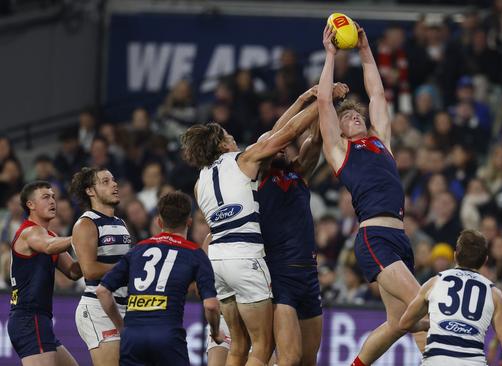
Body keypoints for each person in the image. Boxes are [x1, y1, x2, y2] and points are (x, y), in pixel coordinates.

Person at [181, 85, 330, 366]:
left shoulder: (202, 181)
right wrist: (323, 101)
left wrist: (301, 98)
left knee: (240, 346)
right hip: (252, 259)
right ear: (222, 144)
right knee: (262, 350)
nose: (235, 140)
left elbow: (291, 139)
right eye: (230, 137)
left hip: (221, 260)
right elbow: (283, 134)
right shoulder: (247, 164)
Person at [317, 22, 423, 365]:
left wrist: (364, 50)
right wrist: (331, 55)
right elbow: (323, 103)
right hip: (374, 237)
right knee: (424, 306)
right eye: (346, 116)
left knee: (398, 324)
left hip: (399, 239)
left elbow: (377, 94)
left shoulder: (381, 142)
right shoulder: (339, 151)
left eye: (355, 113)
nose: (352, 115)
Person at [256, 84, 347, 365]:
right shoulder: (258, 174)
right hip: (278, 273)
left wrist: (326, 101)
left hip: (308, 273)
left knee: (308, 360)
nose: (283, 145)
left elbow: (316, 140)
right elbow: (276, 136)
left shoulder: (299, 173)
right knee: (289, 358)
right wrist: (308, 98)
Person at [96, 191, 221, 366]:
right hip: (168, 337)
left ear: (159, 222)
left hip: (133, 338)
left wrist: (122, 327)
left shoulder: (138, 250)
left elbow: (102, 291)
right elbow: (211, 304)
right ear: (189, 222)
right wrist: (215, 332)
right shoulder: (195, 254)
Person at [399, 230, 502, 366]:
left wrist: (427, 324)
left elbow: (405, 324)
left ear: (455, 255)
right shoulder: (494, 294)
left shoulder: (434, 282)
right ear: (485, 260)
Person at [8, 181, 82, 366]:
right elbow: (48, 247)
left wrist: (97, 253)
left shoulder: (51, 237)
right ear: (30, 205)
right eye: (45, 197)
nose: (52, 201)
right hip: (29, 318)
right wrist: (84, 236)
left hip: (38, 320)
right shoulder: (29, 232)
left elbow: (73, 272)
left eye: (53, 197)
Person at [69, 168, 132, 365]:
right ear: (90, 191)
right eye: (106, 181)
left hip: (122, 306)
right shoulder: (86, 224)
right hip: (97, 308)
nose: (114, 184)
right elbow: (89, 270)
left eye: (114, 180)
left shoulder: (120, 222)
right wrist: (129, 265)